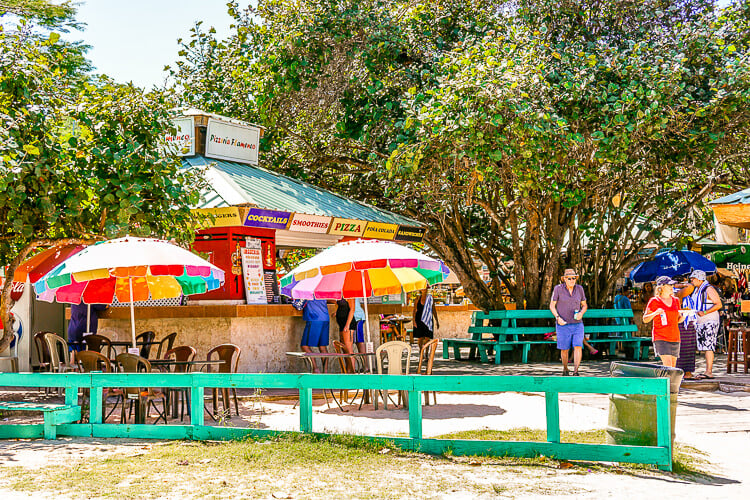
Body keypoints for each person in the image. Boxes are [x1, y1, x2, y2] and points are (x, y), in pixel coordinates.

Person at [684, 270, 723, 379]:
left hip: (709, 320)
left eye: (693, 279)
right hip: (700, 321)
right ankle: (706, 371)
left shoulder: (708, 289)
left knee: (708, 346)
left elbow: (718, 304)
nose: (691, 280)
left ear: (700, 279)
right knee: (703, 345)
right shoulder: (696, 290)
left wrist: (705, 312)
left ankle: (709, 371)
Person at [549, 268, 587, 376]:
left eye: (574, 278)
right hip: (563, 324)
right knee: (564, 348)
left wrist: (581, 313)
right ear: (564, 279)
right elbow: (552, 305)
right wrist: (557, 317)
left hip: (577, 323)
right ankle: (565, 368)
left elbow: (584, 305)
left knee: (578, 346)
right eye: (569, 278)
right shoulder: (558, 289)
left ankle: (576, 371)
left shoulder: (579, 289)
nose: (572, 280)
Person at [643, 276, 687, 368]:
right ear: (662, 287)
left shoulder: (676, 300)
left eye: (672, 284)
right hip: (661, 337)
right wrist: (655, 313)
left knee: (673, 368)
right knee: (668, 366)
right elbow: (645, 319)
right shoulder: (654, 301)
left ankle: (670, 383)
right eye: (669, 284)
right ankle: (668, 382)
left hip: (675, 337)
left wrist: (684, 316)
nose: (672, 286)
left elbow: (678, 320)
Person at [296, 299, 330, 373]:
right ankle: (326, 371)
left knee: (304, 345)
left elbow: (298, 306)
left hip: (314, 318)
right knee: (322, 347)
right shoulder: (321, 288)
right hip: (325, 318)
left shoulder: (306, 290)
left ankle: (315, 369)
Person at [675, 277, 698, 379]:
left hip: (687, 322)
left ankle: (687, 372)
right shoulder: (677, 292)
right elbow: (690, 287)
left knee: (688, 347)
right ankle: (684, 373)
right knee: (684, 347)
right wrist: (679, 285)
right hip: (682, 322)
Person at [335, 298, 365, 373]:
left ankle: (352, 372)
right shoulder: (340, 294)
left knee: (349, 350)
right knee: (344, 349)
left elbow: (352, 309)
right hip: (342, 324)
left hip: (348, 324)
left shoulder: (349, 295)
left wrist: (347, 325)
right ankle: (348, 370)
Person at [413, 285, 439, 350]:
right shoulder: (417, 299)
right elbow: (414, 310)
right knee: (420, 338)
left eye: (425, 288)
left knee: (427, 338)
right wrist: (414, 321)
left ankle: (426, 354)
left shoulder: (430, 298)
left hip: (429, 319)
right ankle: (421, 351)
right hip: (419, 319)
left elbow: (434, 310)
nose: (424, 290)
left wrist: (437, 321)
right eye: (423, 288)